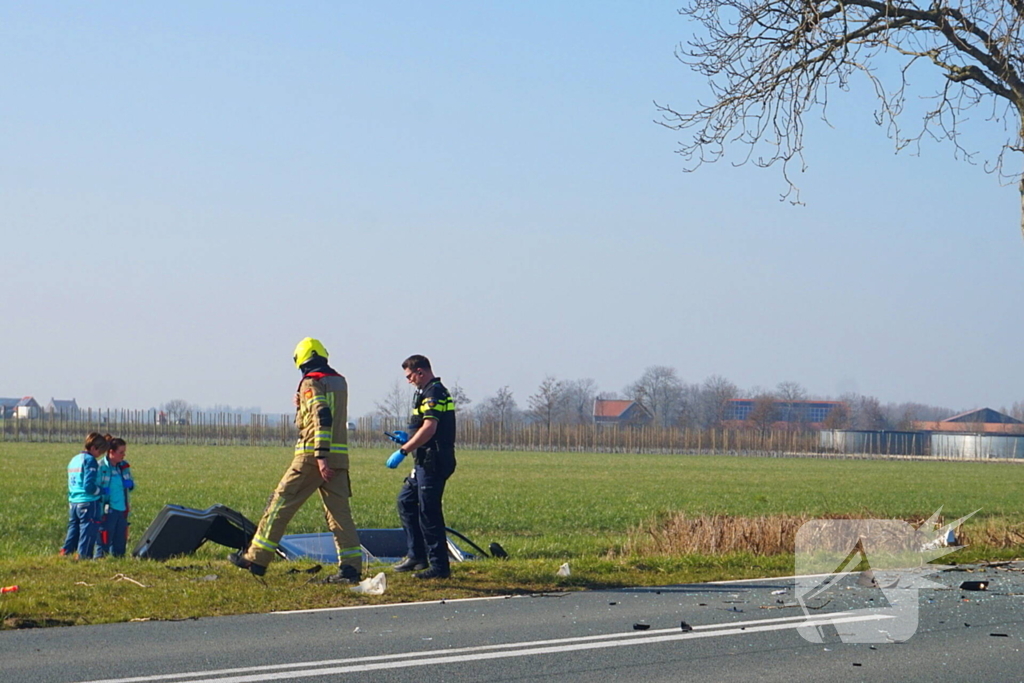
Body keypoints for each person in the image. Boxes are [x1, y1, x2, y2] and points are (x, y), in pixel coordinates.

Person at [229, 338, 362, 584]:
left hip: (312, 458)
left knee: (280, 504)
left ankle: (256, 558)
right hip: (339, 458)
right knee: (339, 514)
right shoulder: (340, 381)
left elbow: (322, 416)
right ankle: (351, 568)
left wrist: (320, 456)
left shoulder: (311, 382)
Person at [385, 354, 457, 579]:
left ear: (421, 372)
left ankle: (439, 567)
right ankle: (416, 556)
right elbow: (420, 428)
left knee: (429, 513)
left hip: (433, 462)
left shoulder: (434, 393)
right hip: (424, 462)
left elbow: (430, 429)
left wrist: (404, 450)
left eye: (410, 376)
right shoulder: (425, 393)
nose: (409, 381)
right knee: (406, 501)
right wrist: (406, 437)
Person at [60, 432, 108, 559]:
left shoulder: (74, 459)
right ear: (93, 448)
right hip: (88, 502)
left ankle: (66, 552)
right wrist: (101, 490)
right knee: (88, 532)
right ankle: (84, 557)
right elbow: (89, 487)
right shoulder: (90, 461)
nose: (99, 456)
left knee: (73, 529)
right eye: (99, 452)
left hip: (74, 501)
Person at [96, 436, 135, 558]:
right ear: (111, 452)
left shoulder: (124, 467)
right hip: (107, 510)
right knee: (104, 540)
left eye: (124, 452)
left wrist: (131, 484)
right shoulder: (101, 467)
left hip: (122, 510)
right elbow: (94, 488)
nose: (123, 455)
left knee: (120, 541)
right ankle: (100, 562)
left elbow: (131, 484)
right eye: (121, 452)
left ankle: (118, 562)